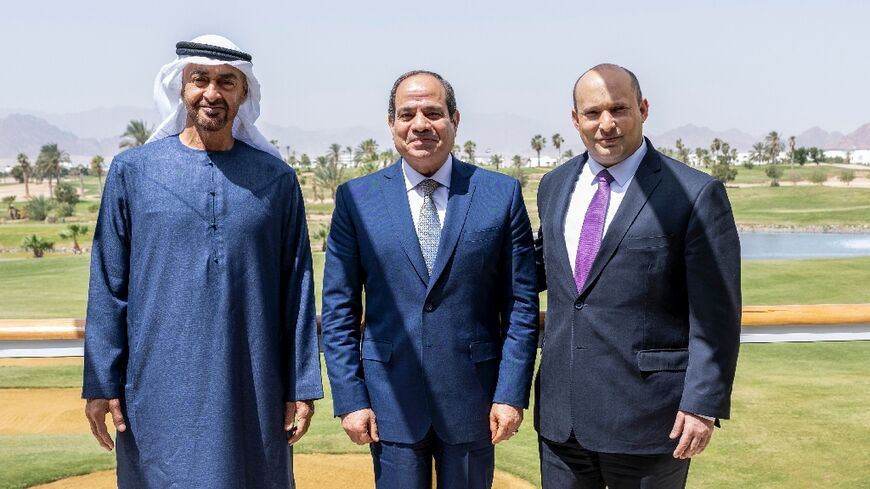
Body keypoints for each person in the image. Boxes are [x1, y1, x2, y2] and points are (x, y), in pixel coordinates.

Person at [82, 34, 322, 489]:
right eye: (200, 80)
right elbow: (108, 282)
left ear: (243, 93)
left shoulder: (277, 179)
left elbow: (298, 289)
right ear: (180, 88)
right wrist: (100, 381)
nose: (212, 93)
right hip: (155, 384)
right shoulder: (132, 172)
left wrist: (302, 386)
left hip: (253, 385)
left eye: (226, 82)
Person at [321, 70, 539, 489]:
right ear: (392, 124)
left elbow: (521, 305)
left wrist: (510, 394)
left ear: (455, 120)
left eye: (433, 112)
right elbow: (339, 310)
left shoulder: (500, 194)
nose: (420, 124)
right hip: (390, 403)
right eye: (407, 114)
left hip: (474, 402)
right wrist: (350, 399)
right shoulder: (357, 199)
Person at [534, 63, 741, 488]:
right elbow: (537, 272)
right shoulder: (554, 185)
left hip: (650, 421)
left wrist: (702, 404)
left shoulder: (694, 192)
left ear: (643, 109)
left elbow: (716, 315)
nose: (606, 124)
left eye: (619, 109)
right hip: (561, 419)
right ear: (576, 120)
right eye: (592, 113)